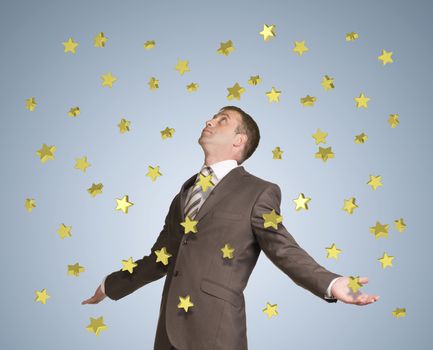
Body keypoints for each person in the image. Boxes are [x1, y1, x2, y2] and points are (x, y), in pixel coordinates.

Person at [82, 106, 380, 350]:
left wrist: (331, 283)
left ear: (239, 141)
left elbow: (283, 249)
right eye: (212, 117)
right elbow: (159, 258)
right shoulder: (184, 194)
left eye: (222, 120)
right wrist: (111, 284)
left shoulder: (259, 192)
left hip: (216, 333)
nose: (209, 120)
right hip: (168, 335)